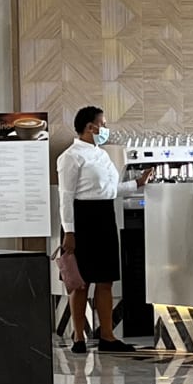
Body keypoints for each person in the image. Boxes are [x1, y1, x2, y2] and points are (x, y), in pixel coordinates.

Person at [57, 106, 153, 356]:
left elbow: (110, 190)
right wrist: (69, 231)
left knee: (106, 280)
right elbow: (65, 197)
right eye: (103, 123)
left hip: (104, 216)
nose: (106, 128)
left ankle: (107, 336)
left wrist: (137, 183)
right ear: (90, 127)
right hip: (81, 219)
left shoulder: (102, 155)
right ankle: (79, 336)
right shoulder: (70, 156)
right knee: (80, 283)